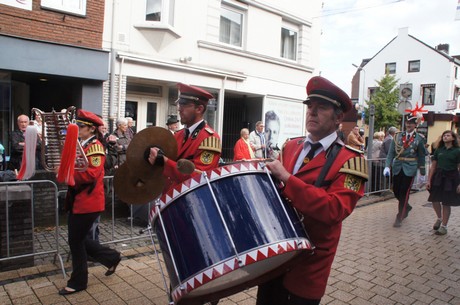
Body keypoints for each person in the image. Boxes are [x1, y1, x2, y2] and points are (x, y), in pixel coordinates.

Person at [259, 76, 368, 305]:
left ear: (338, 117)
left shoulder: (351, 160)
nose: (312, 112)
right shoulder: (291, 146)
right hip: (275, 258)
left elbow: (334, 210)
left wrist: (287, 178)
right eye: (310, 106)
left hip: (308, 267)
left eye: (322, 108)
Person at [59, 109, 121, 296]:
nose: (77, 128)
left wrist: (67, 173)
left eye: (81, 126)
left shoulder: (95, 147)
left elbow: (90, 174)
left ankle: (78, 281)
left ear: (91, 129)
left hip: (89, 202)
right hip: (80, 200)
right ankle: (111, 257)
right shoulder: (82, 144)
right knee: (78, 239)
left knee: (75, 242)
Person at [148, 83, 221, 187]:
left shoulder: (209, 139)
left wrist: (164, 162)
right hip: (169, 197)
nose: (179, 109)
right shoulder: (178, 135)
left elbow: (198, 178)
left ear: (199, 109)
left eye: (184, 104)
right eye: (179, 104)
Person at [384, 113, 426, 227]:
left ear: (415, 125)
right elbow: (391, 153)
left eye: (411, 123)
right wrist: (387, 166)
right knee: (396, 190)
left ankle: (400, 217)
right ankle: (406, 206)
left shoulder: (419, 138)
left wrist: (422, 173)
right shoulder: (397, 136)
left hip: (410, 167)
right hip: (398, 167)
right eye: (407, 123)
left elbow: (422, 156)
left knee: (404, 192)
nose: (409, 125)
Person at [426, 130, 460, 235]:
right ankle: (439, 218)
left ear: (453, 138)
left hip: (451, 178)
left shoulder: (457, 151)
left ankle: (444, 226)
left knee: (446, 202)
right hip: (438, 177)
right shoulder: (439, 150)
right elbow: (433, 166)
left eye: (448, 135)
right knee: (434, 199)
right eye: (444, 135)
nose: (445, 137)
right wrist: (429, 180)